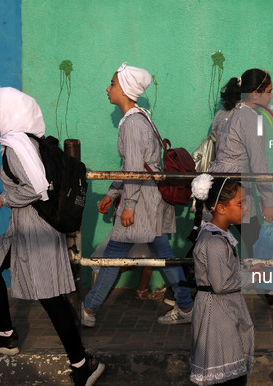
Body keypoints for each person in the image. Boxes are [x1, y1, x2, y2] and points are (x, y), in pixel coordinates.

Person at [0, 87, 104, 385]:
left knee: (51, 299)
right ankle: (5, 334)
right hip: (21, 228)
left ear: (6, 114)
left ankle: (83, 365)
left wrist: (1, 199)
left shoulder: (16, 147)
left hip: (36, 231)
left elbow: (37, 188)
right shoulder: (22, 141)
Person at [81, 63, 193, 327]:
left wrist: (127, 205)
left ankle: (88, 309)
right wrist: (113, 190)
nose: (107, 89)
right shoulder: (141, 118)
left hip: (141, 202)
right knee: (164, 255)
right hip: (150, 198)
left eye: (112, 83)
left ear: (125, 89)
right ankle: (187, 306)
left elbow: (133, 169)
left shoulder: (132, 123)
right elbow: (131, 165)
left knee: (114, 257)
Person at [197, 68, 273, 308]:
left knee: (212, 238)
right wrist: (270, 200)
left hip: (217, 186)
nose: (272, 96)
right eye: (269, 92)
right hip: (236, 190)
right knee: (253, 242)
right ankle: (272, 291)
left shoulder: (224, 114)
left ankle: (272, 291)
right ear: (255, 94)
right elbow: (258, 162)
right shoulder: (250, 118)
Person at [190, 174, 267, 385]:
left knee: (232, 368)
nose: (246, 208)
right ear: (221, 208)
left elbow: (222, 271)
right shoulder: (214, 242)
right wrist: (252, 276)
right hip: (216, 315)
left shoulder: (219, 237)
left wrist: (247, 270)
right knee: (226, 373)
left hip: (222, 309)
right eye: (241, 203)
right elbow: (221, 283)